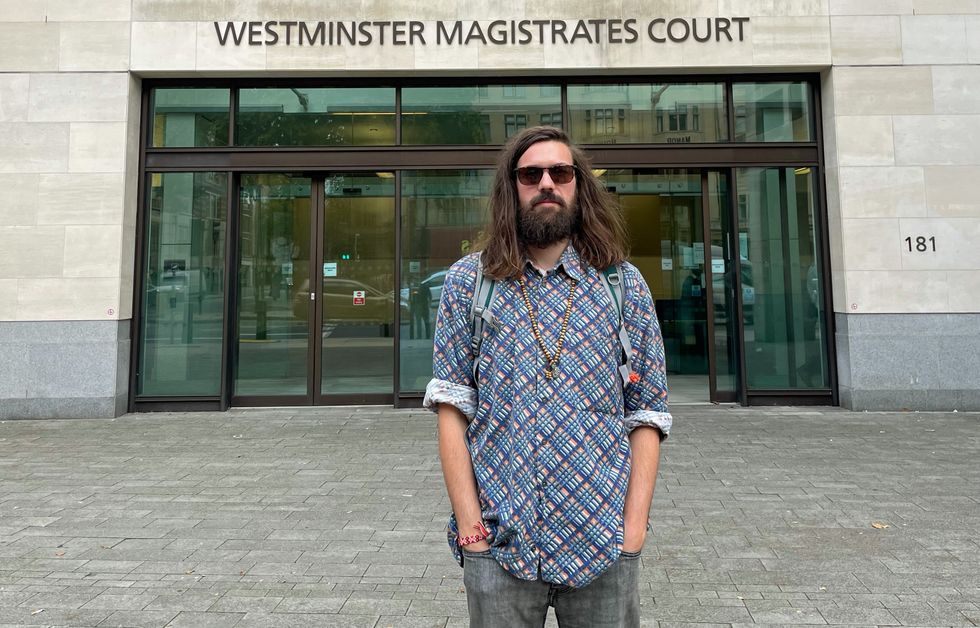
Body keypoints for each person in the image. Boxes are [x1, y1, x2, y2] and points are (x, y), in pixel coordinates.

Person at [423, 126, 671, 627]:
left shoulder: (622, 285)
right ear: (511, 188)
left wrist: (633, 531)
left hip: (602, 546)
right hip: (501, 546)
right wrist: (471, 529)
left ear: (579, 185)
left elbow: (646, 411)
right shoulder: (469, 284)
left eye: (560, 172)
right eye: (530, 173)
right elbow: (451, 408)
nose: (546, 184)